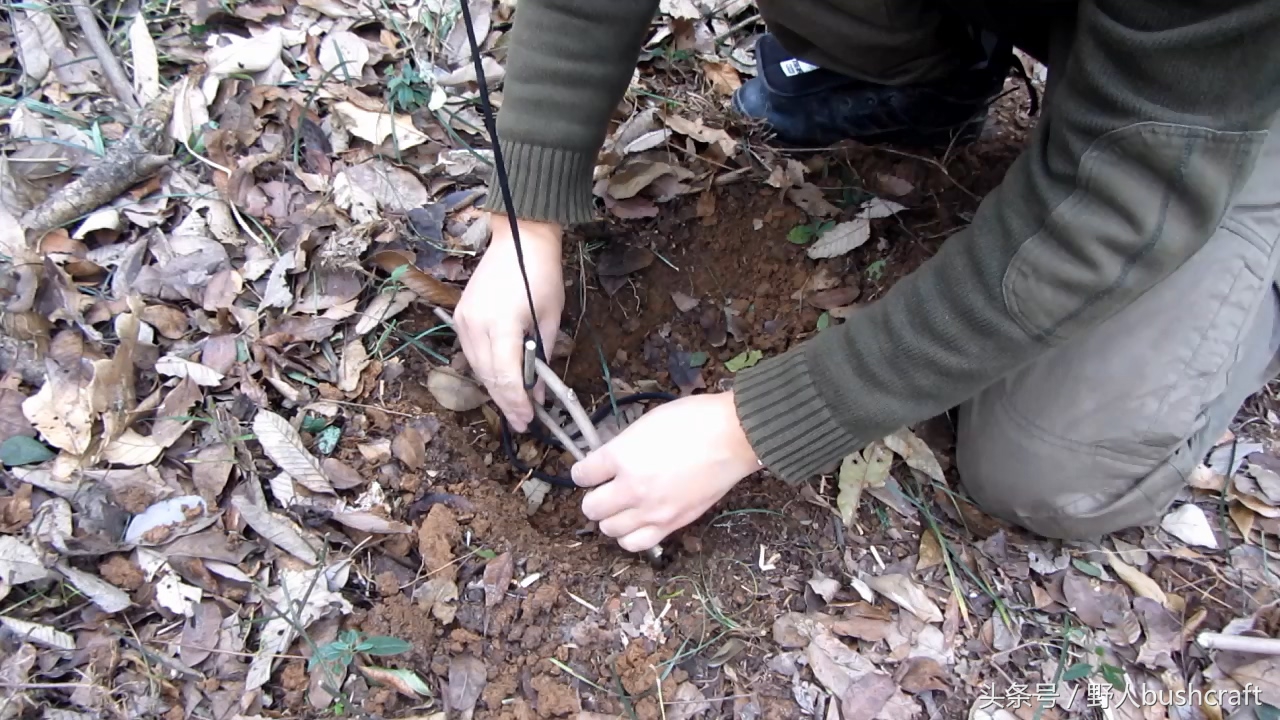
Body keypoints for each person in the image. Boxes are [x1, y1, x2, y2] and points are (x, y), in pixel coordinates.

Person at [452, 0, 1280, 554]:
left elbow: (1119, 199)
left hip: (1217, 93)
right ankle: (951, 63)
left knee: (1051, 471)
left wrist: (748, 429)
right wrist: (527, 218)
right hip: (1116, 39)